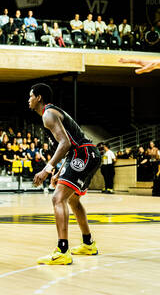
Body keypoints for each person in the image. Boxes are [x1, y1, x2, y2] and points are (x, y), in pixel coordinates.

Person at [29, 83, 101, 265]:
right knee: (73, 200)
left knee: (57, 198)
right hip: (87, 153)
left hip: (83, 154)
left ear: (39, 97)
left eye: (30, 96)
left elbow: (66, 144)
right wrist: (60, 172)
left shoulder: (48, 114)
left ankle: (62, 251)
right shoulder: (52, 112)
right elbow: (69, 145)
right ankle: (88, 244)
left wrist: (47, 169)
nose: (28, 100)